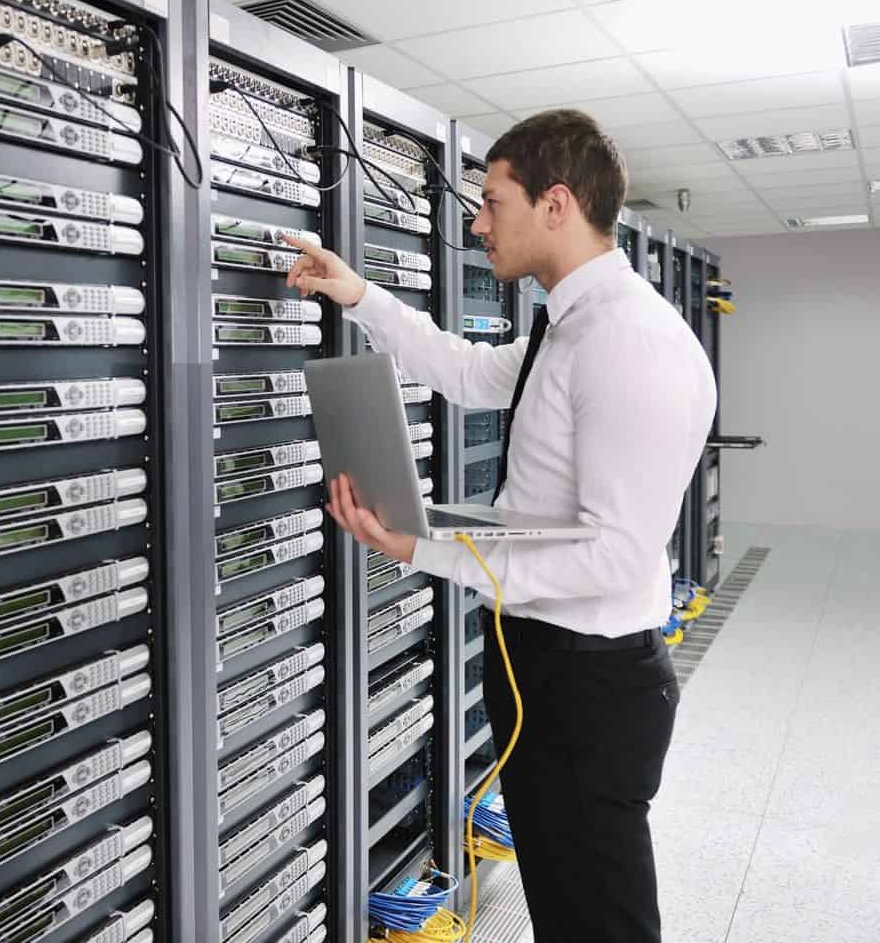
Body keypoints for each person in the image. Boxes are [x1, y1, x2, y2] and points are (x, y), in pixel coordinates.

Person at [283, 109, 715, 943]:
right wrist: (360, 293)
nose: (476, 224)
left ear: (555, 204)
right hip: (544, 670)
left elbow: (616, 555)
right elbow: (470, 373)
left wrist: (424, 550)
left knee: (600, 921)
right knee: (565, 909)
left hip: (589, 687)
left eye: (490, 201)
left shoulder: (629, 341)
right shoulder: (573, 326)